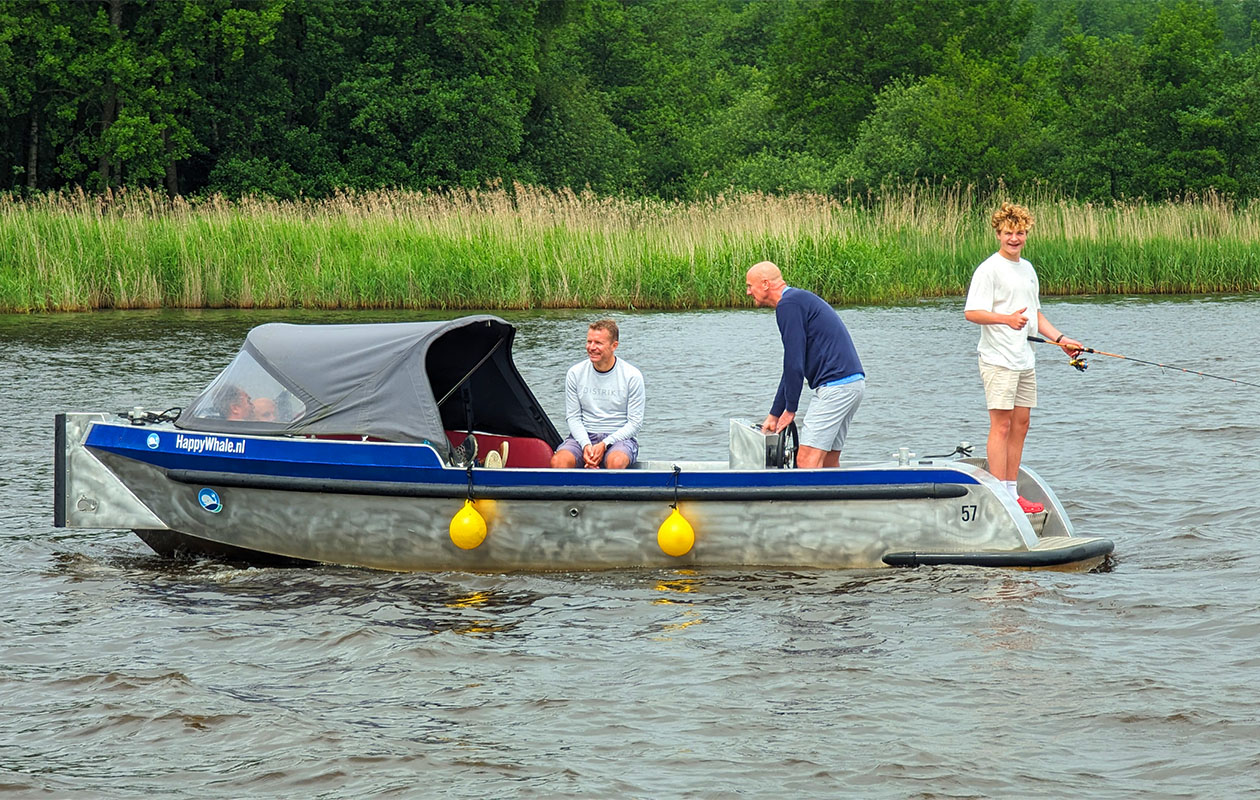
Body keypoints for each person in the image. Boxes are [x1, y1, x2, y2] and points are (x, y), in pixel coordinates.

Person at [964, 202, 1082, 514]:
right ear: (998, 234)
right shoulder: (989, 270)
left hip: (1024, 359)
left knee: (1022, 423)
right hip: (997, 358)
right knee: (1001, 425)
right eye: (1007, 233)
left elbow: (1035, 314)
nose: (1014, 238)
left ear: (1026, 233)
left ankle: (1012, 491)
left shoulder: (1027, 269)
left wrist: (1060, 340)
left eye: (1019, 233)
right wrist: (1005, 320)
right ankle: (1000, 495)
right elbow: (971, 312)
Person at [745, 261, 865, 468]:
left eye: (749, 286)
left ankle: (801, 501)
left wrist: (790, 410)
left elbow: (794, 364)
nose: (747, 292)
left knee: (806, 460)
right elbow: (792, 365)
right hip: (851, 385)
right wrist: (775, 413)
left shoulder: (788, 305)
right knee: (827, 461)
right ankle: (835, 500)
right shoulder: (796, 300)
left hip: (836, 388)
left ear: (765, 284)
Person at [550, 319, 645, 469]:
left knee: (616, 462)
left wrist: (605, 444)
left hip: (619, 439)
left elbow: (634, 424)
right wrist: (586, 445)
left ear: (614, 346)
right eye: (589, 342)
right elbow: (573, 417)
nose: (591, 347)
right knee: (558, 462)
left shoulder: (632, 376)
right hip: (583, 436)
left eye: (598, 343)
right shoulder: (575, 373)